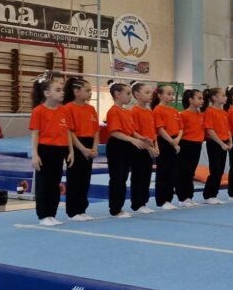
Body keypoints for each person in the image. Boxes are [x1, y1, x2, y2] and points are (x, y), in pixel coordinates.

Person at [29, 76, 73, 226]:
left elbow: (67, 132)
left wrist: (71, 151)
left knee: (55, 183)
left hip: (60, 150)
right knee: (44, 184)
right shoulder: (39, 111)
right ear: (47, 93)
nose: (62, 93)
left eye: (62, 90)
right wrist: (35, 154)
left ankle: (52, 214)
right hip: (45, 149)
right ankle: (43, 215)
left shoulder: (64, 110)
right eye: (58, 90)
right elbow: (35, 134)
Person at [105, 82, 148, 218]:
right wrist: (133, 140)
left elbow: (132, 131)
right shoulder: (113, 111)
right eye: (128, 94)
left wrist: (141, 138)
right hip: (117, 145)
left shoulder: (126, 112)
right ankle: (115, 208)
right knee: (117, 178)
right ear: (117, 94)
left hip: (126, 145)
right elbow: (114, 132)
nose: (130, 97)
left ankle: (120, 206)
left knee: (123, 177)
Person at [62, 77, 98, 221]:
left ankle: (82, 209)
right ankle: (73, 211)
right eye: (87, 90)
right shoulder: (68, 108)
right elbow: (70, 132)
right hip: (76, 144)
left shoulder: (91, 109)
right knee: (75, 179)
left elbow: (96, 130)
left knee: (85, 179)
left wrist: (94, 147)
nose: (90, 93)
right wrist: (82, 149)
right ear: (76, 92)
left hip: (89, 144)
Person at [129, 83, 159, 214]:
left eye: (151, 92)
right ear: (137, 95)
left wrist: (156, 146)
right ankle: (137, 203)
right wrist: (147, 145)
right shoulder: (134, 111)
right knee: (138, 176)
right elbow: (133, 132)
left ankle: (143, 202)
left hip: (150, 147)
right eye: (147, 92)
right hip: (139, 148)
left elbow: (153, 132)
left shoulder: (149, 111)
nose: (150, 95)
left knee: (147, 175)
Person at [152, 85, 183, 210]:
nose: (171, 96)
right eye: (168, 94)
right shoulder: (157, 110)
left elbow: (181, 128)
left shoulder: (174, 110)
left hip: (175, 141)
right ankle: (161, 200)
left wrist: (177, 140)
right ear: (160, 95)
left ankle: (168, 198)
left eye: (172, 94)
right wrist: (172, 142)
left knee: (172, 172)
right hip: (165, 141)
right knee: (163, 172)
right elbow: (160, 129)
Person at [201, 87, 232, 204]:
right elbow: (209, 130)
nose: (226, 97)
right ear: (214, 98)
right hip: (215, 143)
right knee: (215, 170)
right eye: (223, 95)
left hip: (224, 142)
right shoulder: (210, 111)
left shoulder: (224, 113)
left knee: (221, 170)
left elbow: (227, 129)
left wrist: (230, 141)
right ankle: (208, 195)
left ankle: (214, 194)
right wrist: (221, 143)